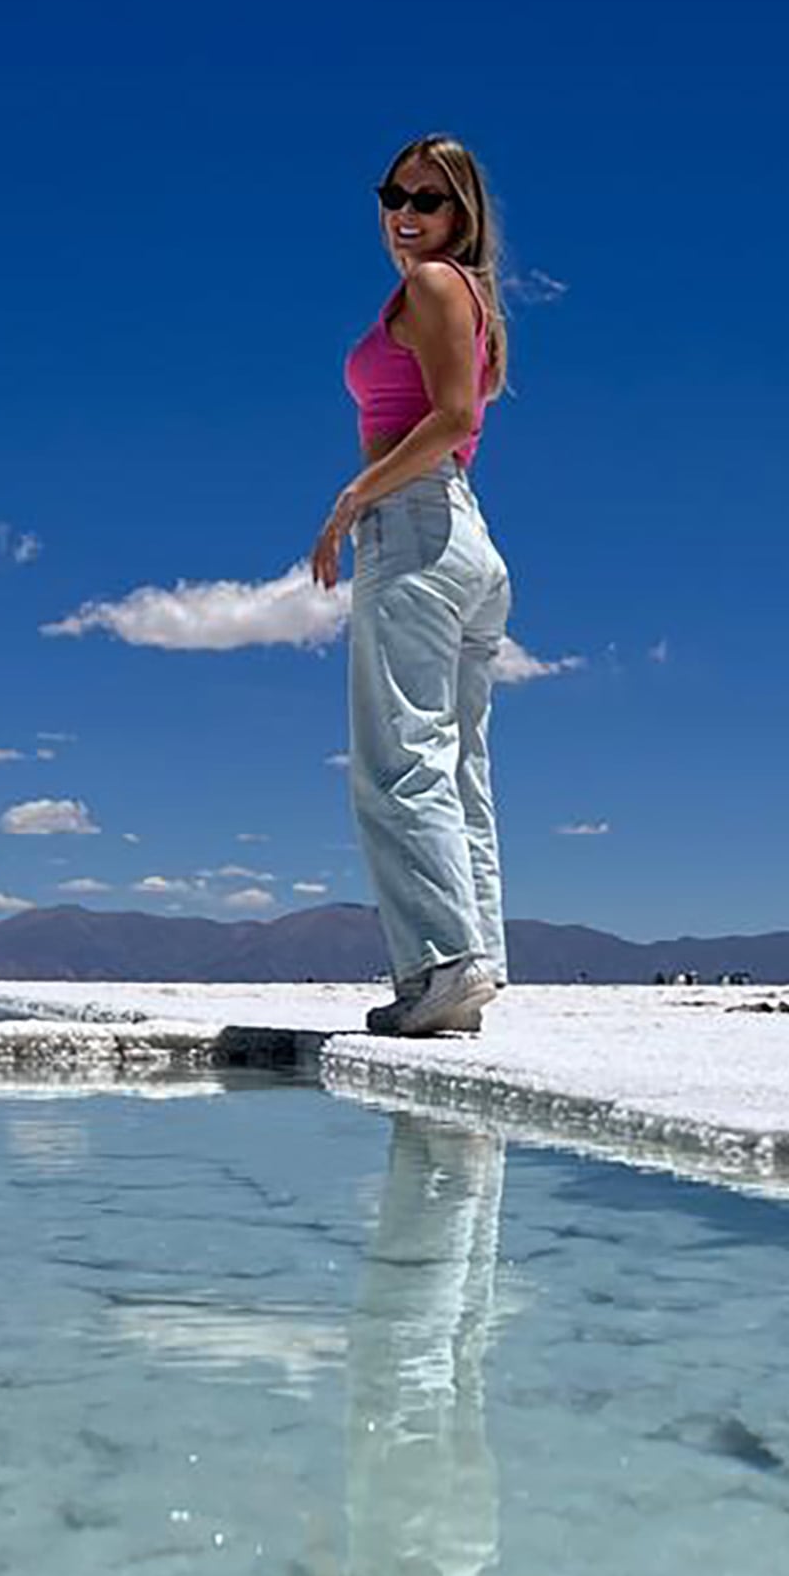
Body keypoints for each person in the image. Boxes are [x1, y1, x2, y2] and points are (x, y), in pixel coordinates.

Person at [312, 133, 513, 1038]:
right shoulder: (472, 299)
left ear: (459, 215)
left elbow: (456, 416)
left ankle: (441, 964)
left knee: (398, 762)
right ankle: (471, 968)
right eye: (393, 193)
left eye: (427, 200)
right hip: (464, 535)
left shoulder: (435, 284)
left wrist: (355, 496)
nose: (405, 213)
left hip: (420, 530)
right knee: (458, 764)